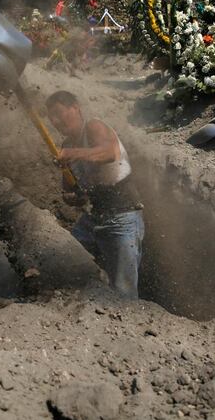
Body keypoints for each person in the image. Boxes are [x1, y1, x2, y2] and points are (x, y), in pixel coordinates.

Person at [45, 90, 144, 299]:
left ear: (76, 108)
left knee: (123, 291)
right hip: (93, 217)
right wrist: (73, 197)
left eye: (59, 113)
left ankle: (126, 321)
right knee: (67, 260)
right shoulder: (66, 146)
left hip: (122, 216)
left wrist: (73, 154)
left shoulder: (93, 127)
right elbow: (71, 189)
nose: (56, 120)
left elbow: (109, 153)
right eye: (51, 117)